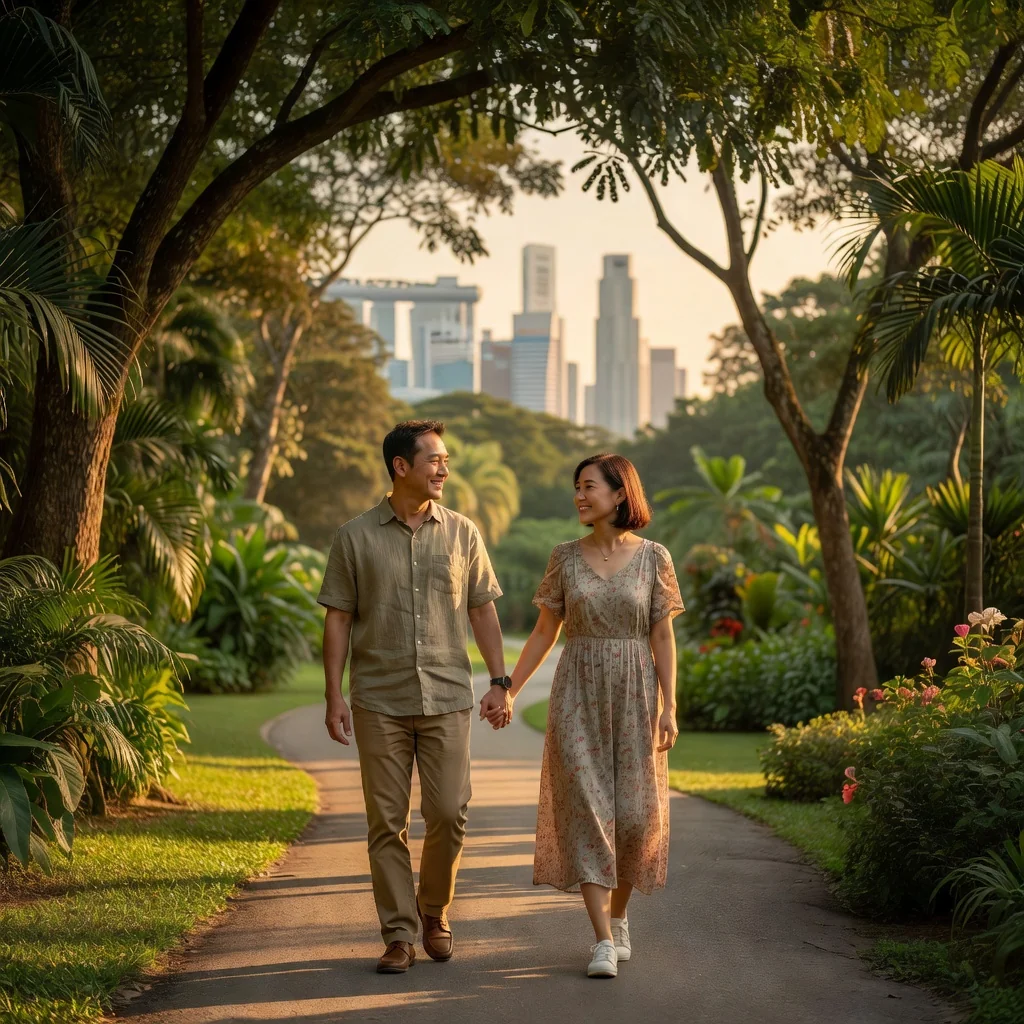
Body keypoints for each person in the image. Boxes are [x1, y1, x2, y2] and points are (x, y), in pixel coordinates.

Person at [318, 420, 513, 974]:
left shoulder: (463, 533)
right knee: (386, 822)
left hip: (449, 695)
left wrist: (500, 682)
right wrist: (334, 696)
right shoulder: (353, 537)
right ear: (401, 466)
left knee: (449, 813)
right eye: (434, 460)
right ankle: (399, 934)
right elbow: (338, 619)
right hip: (378, 698)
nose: (444, 469)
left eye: (446, 459)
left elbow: (482, 609)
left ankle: (434, 910)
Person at [493, 452, 683, 979]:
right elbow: (542, 633)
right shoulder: (564, 556)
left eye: (588, 486)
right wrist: (508, 687)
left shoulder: (654, 558)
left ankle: (618, 917)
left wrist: (670, 705)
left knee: (637, 817)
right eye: (576, 487)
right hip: (577, 690)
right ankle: (601, 940)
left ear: (620, 494)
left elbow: (662, 636)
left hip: (636, 692)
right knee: (586, 812)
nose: (579, 496)